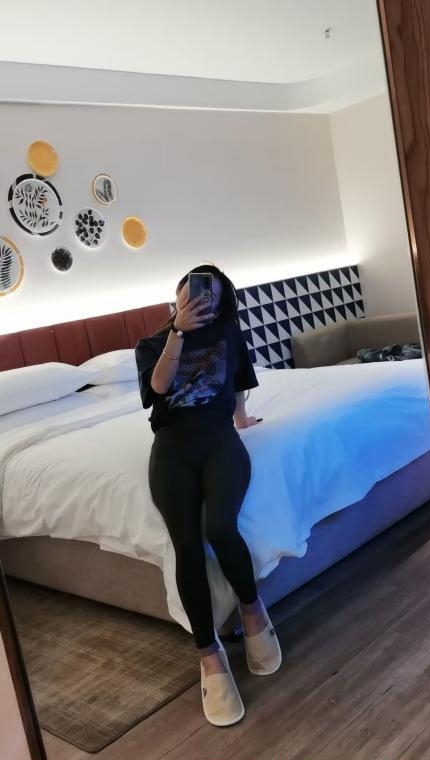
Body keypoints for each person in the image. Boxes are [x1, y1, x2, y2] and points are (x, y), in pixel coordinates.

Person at [135, 263, 282, 727]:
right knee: (186, 545)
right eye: (196, 293)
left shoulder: (229, 335)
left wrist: (241, 419)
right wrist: (178, 332)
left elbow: (238, 382)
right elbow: (158, 387)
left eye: (213, 297)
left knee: (219, 526)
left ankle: (253, 610)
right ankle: (209, 654)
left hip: (220, 440)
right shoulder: (151, 345)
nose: (204, 302)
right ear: (178, 295)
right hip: (172, 447)